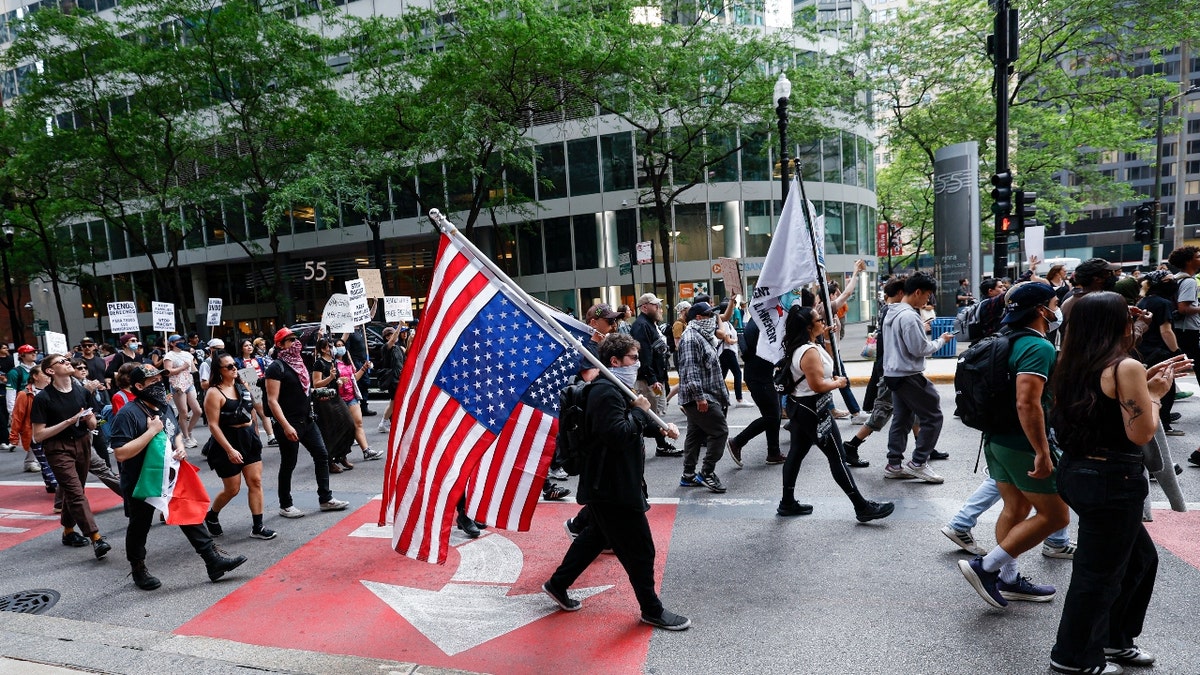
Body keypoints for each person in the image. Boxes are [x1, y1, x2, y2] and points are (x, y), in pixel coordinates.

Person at [1047, 292, 1185, 674]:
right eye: (1129, 317)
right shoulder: (1125, 367)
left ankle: (1114, 640)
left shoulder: (1071, 360)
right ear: (1116, 325)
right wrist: (1155, 395)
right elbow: (1141, 432)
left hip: (1079, 472)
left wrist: (1145, 376)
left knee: (1140, 559)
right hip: (1112, 479)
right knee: (1099, 574)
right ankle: (1073, 657)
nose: (1135, 321)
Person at [542, 333, 689, 631]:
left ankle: (557, 584)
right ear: (614, 361)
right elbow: (618, 432)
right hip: (612, 487)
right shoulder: (604, 392)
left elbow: (635, 421)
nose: (638, 363)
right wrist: (639, 410)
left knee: (594, 537)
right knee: (641, 550)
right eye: (633, 358)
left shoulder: (616, 387)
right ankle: (652, 610)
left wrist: (660, 429)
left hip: (609, 483)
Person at [957, 283, 1070, 608]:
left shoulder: (1003, 339)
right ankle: (987, 568)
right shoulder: (1038, 347)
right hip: (1022, 444)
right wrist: (1042, 451)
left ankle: (1008, 579)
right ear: (1040, 310)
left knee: (1017, 509)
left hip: (996, 440)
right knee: (1056, 517)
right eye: (1053, 303)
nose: (1056, 309)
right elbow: (1027, 403)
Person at [109, 364, 248, 590]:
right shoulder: (128, 413)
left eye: (159, 379)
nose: (158, 384)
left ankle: (213, 561)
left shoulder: (165, 407)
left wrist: (180, 446)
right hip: (141, 481)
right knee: (139, 526)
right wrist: (151, 432)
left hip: (170, 477)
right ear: (138, 386)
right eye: (152, 381)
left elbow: (174, 435)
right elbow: (121, 453)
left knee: (187, 512)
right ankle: (138, 568)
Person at [775, 305, 894, 522]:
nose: (822, 321)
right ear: (809, 326)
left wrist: (827, 337)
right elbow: (818, 384)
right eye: (818, 319)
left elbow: (825, 364)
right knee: (837, 457)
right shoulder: (808, 351)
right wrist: (838, 382)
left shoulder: (807, 345)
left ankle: (787, 502)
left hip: (803, 408)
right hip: (812, 409)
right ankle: (862, 507)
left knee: (796, 453)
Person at [30, 354, 110, 558]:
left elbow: (92, 423)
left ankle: (68, 532)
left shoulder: (82, 391)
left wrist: (91, 420)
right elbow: (38, 435)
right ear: (50, 371)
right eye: (62, 362)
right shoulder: (43, 398)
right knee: (75, 492)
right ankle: (96, 538)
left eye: (67, 361)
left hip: (82, 443)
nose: (68, 364)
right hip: (57, 448)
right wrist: (68, 421)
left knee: (74, 490)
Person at [265, 328, 350, 518]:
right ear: (279, 345)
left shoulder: (301, 364)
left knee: (322, 455)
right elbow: (272, 400)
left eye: (295, 339)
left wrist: (320, 393)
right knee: (289, 463)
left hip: (307, 420)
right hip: (289, 422)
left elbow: (305, 390)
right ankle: (285, 504)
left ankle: (325, 499)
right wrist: (286, 426)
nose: (295, 343)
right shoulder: (275, 367)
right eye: (289, 340)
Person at [881, 272, 955, 483]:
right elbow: (920, 349)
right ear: (917, 292)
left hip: (893, 373)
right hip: (909, 374)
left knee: (902, 419)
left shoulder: (891, 311)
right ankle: (918, 463)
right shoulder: (909, 316)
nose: (927, 301)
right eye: (928, 295)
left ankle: (894, 464)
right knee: (933, 416)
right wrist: (940, 340)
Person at [202, 353, 277, 541]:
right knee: (232, 489)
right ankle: (211, 515)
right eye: (228, 366)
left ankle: (258, 526)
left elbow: (254, 408)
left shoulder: (244, 383)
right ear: (219, 371)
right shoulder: (213, 393)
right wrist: (229, 450)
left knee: (255, 481)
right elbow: (213, 425)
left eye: (235, 364)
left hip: (248, 437)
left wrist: (256, 432)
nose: (234, 368)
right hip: (227, 441)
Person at [675, 301, 729, 493]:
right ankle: (707, 472)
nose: (713, 318)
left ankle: (688, 475)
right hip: (699, 396)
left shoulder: (702, 335)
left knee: (695, 434)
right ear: (698, 318)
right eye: (709, 315)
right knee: (720, 431)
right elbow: (690, 371)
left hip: (707, 394)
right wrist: (700, 398)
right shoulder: (691, 338)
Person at [726, 317, 785, 466]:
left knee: (773, 414)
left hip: (759, 375)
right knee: (772, 416)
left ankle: (774, 452)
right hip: (759, 377)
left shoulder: (758, 319)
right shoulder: (763, 324)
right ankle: (737, 442)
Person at [629, 293, 680, 457]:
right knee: (650, 414)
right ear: (645, 307)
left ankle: (661, 444)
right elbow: (643, 356)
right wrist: (652, 380)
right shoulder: (641, 326)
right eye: (655, 305)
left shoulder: (651, 324)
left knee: (656, 413)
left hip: (656, 377)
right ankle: (655, 445)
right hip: (648, 380)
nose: (660, 308)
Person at [162, 334, 203, 448]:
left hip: (189, 383)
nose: (180, 342)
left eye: (181, 340)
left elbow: (193, 369)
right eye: (177, 340)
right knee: (183, 412)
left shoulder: (187, 354)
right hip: (177, 386)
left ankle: (188, 432)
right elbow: (168, 372)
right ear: (171, 343)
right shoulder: (169, 356)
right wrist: (182, 367)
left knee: (198, 411)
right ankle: (186, 437)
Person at [235, 339, 276, 445]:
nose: (249, 347)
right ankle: (258, 438)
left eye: (250, 345)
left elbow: (263, 372)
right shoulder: (238, 361)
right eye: (246, 346)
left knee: (262, 412)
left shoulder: (259, 359)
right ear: (241, 348)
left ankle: (270, 436)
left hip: (259, 386)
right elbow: (239, 376)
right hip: (246, 388)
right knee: (254, 415)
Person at [375, 325, 407, 434]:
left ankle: (390, 421)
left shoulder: (399, 348)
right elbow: (393, 339)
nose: (394, 336)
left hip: (400, 378)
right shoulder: (386, 348)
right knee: (394, 401)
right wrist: (400, 325)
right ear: (387, 337)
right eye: (390, 335)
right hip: (393, 380)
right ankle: (383, 422)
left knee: (396, 402)